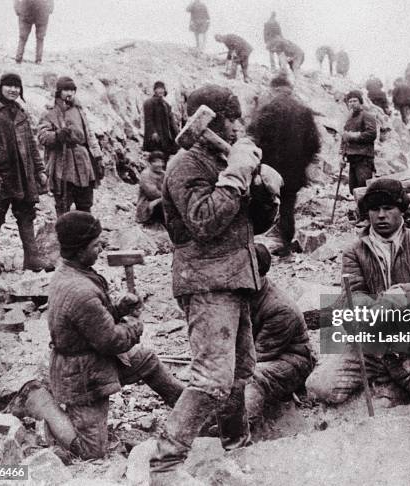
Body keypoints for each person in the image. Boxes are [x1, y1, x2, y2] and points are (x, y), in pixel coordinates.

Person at [150, 84, 282, 483]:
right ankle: (165, 462)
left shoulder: (225, 161)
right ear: (212, 119)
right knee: (211, 378)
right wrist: (237, 174)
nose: (238, 126)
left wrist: (264, 194)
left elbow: (251, 226)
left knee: (241, 371)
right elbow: (204, 222)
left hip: (235, 278)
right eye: (233, 118)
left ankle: (233, 446)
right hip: (206, 282)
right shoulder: (186, 166)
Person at [5, 211, 184, 460]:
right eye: (95, 244)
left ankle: (188, 408)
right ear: (79, 250)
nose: (101, 248)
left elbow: (93, 321)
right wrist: (134, 325)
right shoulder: (79, 290)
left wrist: (119, 308)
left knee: (146, 360)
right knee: (92, 452)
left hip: (94, 359)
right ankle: (37, 400)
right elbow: (111, 341)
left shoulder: (74, 271)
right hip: (82, 375)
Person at [306, 178, 410, 441]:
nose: (381, 215)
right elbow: (352, 294)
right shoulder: (354, 251)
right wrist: (367, 309)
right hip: (370, 342)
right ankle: (395, 380)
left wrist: (400, 297)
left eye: (388, 208)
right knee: (319, 385)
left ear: (402, 209)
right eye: (374, 209)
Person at [0, 72, 51, 275]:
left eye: (17, 86)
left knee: (26, 215)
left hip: (22, 175)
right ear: (1, 87)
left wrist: (40, 170)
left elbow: (32, 145)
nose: (13, 90)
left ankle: (32, 259)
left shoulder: (20, 112)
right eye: (9, 86)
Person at [249, 74, 321, 257]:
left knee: (261, 202)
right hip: (294, 171)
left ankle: (251, 245)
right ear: (289, 89)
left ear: (274, 89)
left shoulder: (268, 109)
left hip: (270, 170)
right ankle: (286, 243)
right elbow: (314, 143)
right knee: (288, 206)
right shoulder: (304, 111)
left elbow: (254, 136)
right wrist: (305, 162)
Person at [245, 244, 315, 426]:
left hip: (293, 362)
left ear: (258, 274)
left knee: (252, 376)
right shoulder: (246, 295)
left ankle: (242, 426)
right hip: (258, 355)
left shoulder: (280, 308)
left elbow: (260, 355)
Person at [38, 76, 104, 216]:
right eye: (66, 90)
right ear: (59, 92)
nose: (69, 94)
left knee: (85, 202)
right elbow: (42, 137)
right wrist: (57, 136)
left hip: (83, 161)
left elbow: (89, 134)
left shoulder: (79, 109)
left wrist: (98, 157)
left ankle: (85, 233)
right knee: (63, 204)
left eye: (72, 90)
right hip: (62, 162)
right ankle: (65, 234)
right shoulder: (50, 112)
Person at [341, 90, 377, 195]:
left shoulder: (367, 116)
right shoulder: (349, 119)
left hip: (364, 158)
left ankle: (365, 211)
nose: (352, 103)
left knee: (364, 189)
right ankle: (359, 210)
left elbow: (371, 134)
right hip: (352, 158)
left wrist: (354, 136)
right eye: (350, 101)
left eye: (355, 101)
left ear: (360, 102)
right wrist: (342, 156)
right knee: (353, 189)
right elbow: (344, 138)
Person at [142, 81, 179, 158]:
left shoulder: (166, 104)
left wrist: (177, 134)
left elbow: (171, 122)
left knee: (166, 156)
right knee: (156, 157)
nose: (161, 91)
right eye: (158, 89)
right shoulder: (149, 103)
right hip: (155, 137)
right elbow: (148, 121)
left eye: (162, 89)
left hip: (166, 137)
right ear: (155, 90)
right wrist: (153, 132)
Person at [136, 151, 166, 225]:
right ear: (150, 163)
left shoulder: (164, 174)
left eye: (161, 162)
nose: (160, 164)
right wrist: (168, 196)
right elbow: (153, 193)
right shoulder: (145, 175)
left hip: (161, 200)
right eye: (156, 162)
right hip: (147, 205)